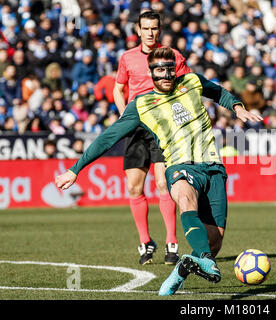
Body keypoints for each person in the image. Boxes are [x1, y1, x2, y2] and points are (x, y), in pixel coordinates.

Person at [55, 47, 263, 296]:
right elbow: (107, 138)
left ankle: (183, 269)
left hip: (213, 167)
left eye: (169, 69)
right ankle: (205, 259)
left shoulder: (192, 81)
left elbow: (218, 91)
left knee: (214, 240)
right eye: (159, 70)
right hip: (179, 166)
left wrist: (237, 106)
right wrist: (75, 169)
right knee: (185, 199)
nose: (166, 74)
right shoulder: (141, 105)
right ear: (151, 73)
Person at [113, 11, 191, 266]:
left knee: (162, 184)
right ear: (138, 30)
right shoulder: (128, 58)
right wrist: (124, 114)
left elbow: (189, 84)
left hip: (163, 128)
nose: (150, 32)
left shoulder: (172, 55)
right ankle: (145, 242)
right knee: (134, 187)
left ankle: (172, 242)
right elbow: (118, 88)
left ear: (160, 30)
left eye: (154, 28)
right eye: (145, 28)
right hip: (137, 127)